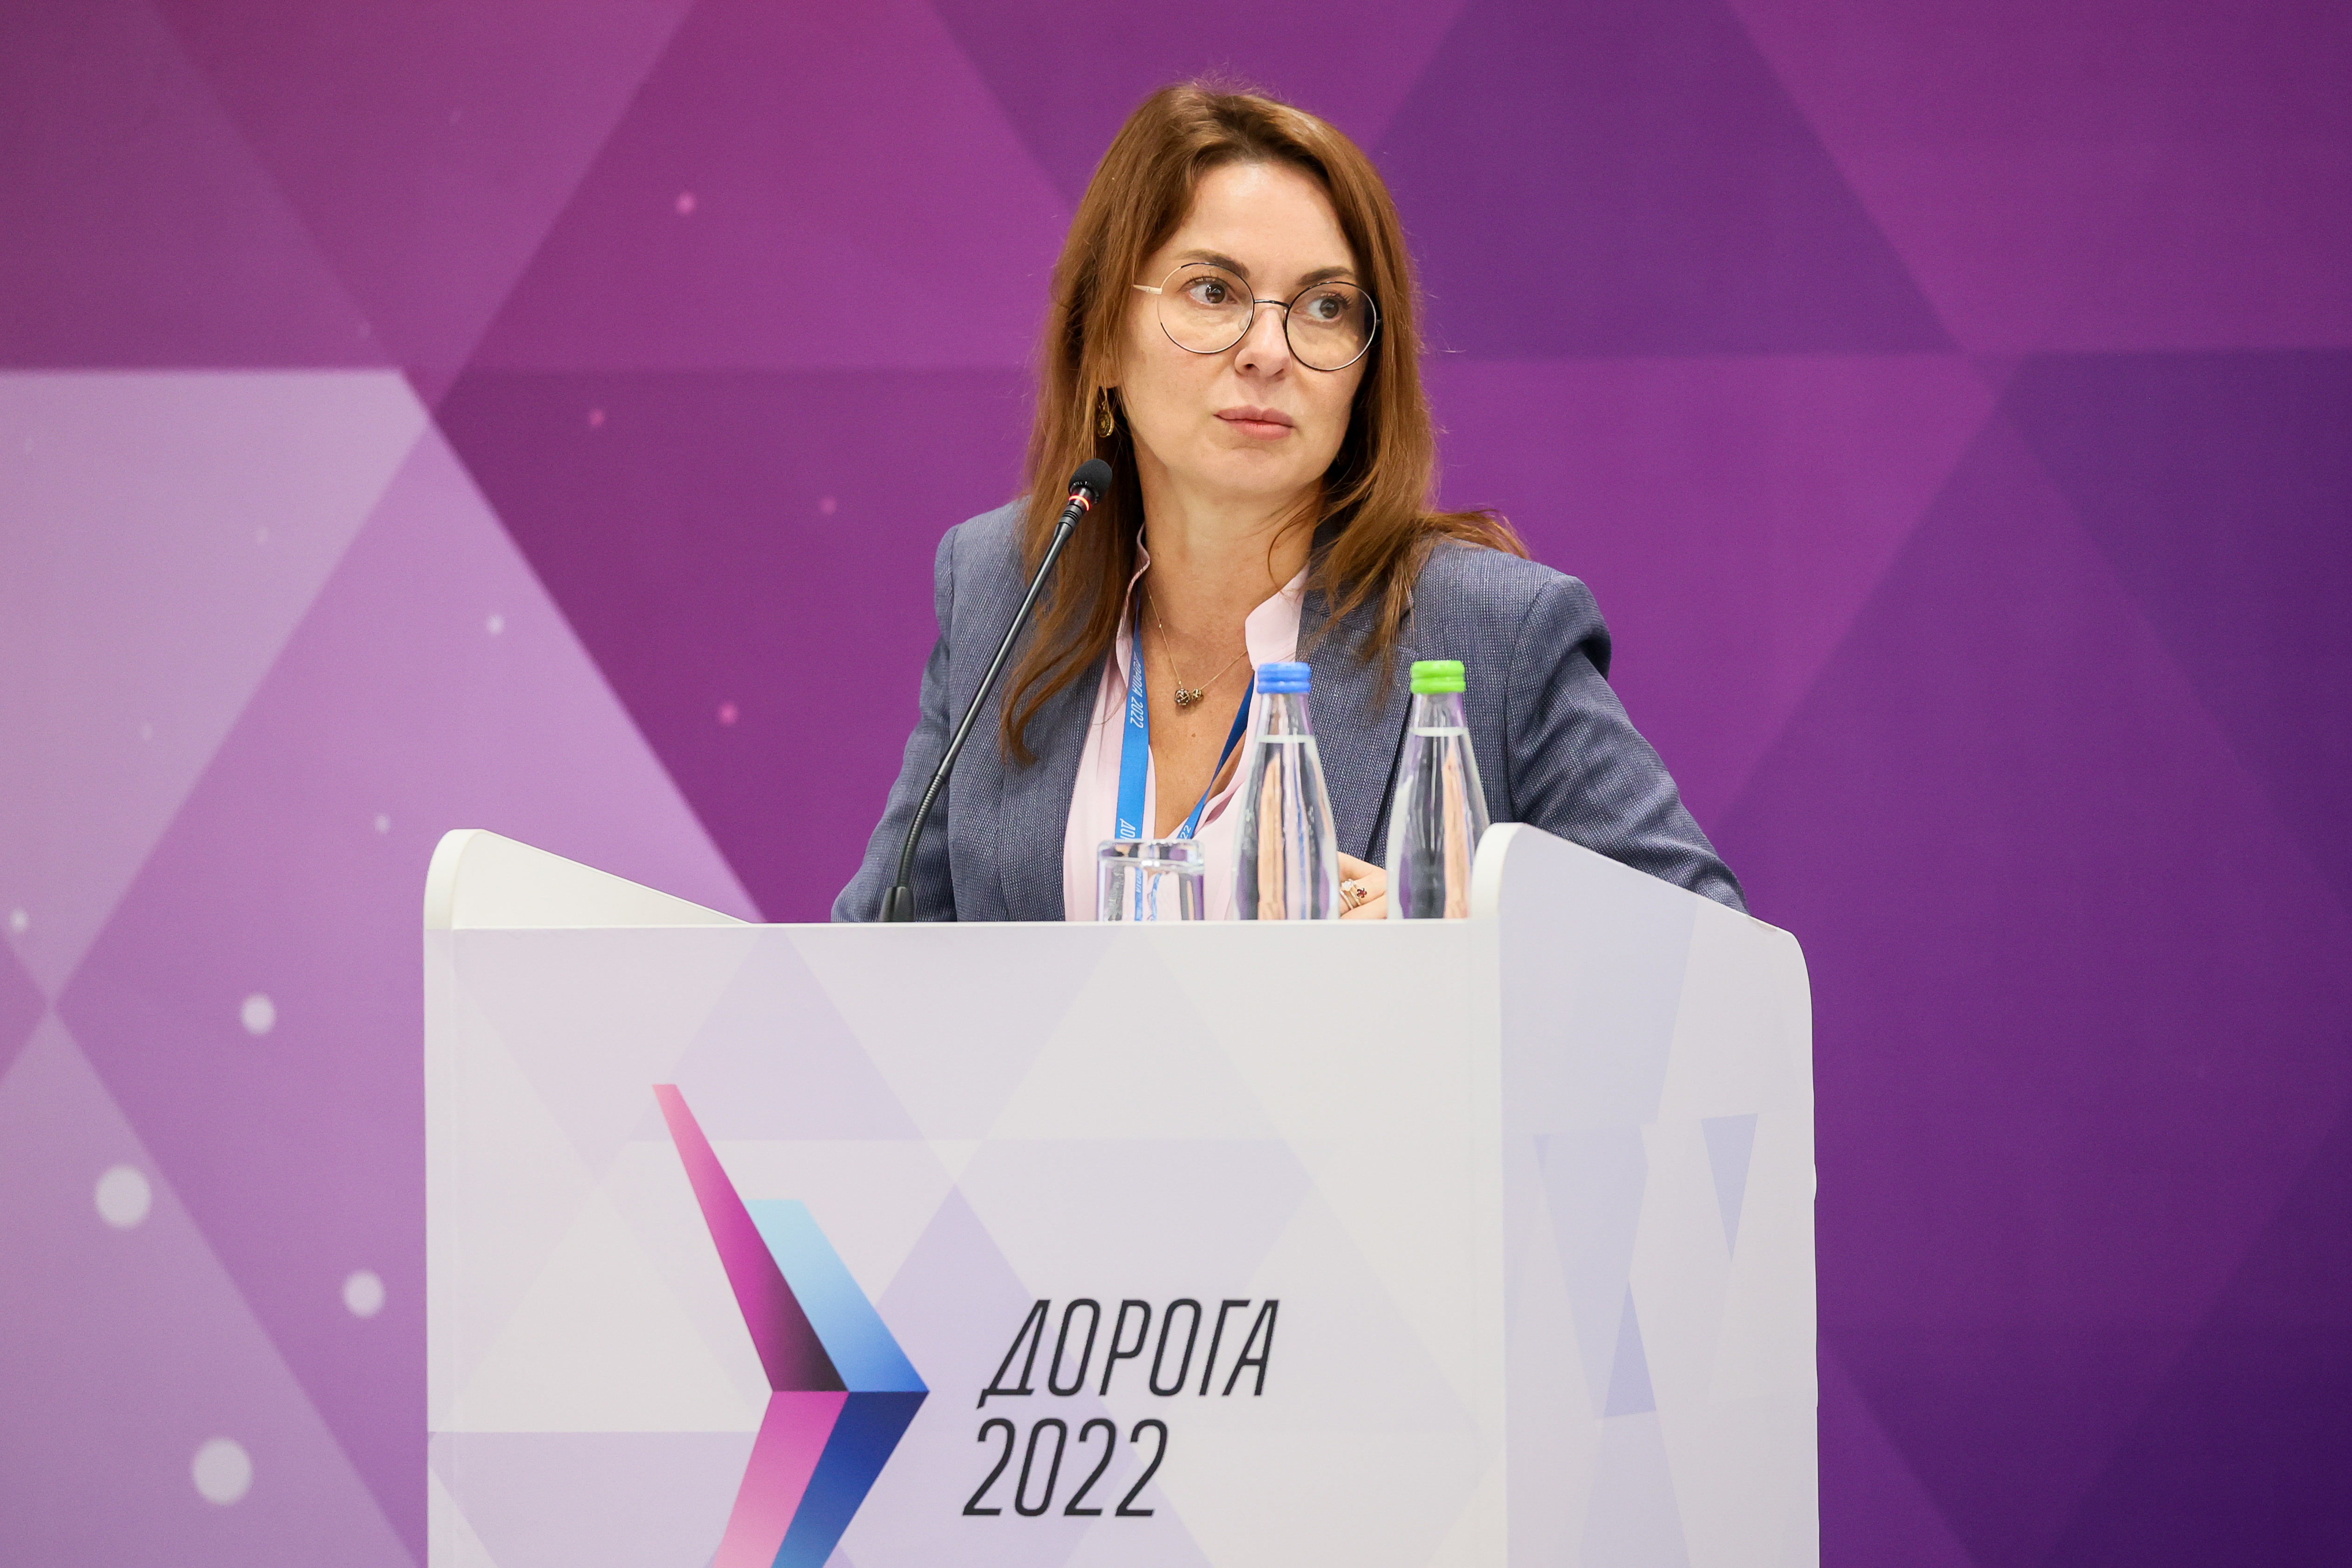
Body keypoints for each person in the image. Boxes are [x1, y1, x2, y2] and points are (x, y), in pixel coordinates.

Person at [835, 83, 1743, 923]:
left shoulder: (1492, 630)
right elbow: (876, 958)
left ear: (1365, 371)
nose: (1268, 350)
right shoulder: (1004, 588)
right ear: (1103, 338)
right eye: (1213, 291)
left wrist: (1471, 941)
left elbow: (1710, 955)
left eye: (1324, 307)